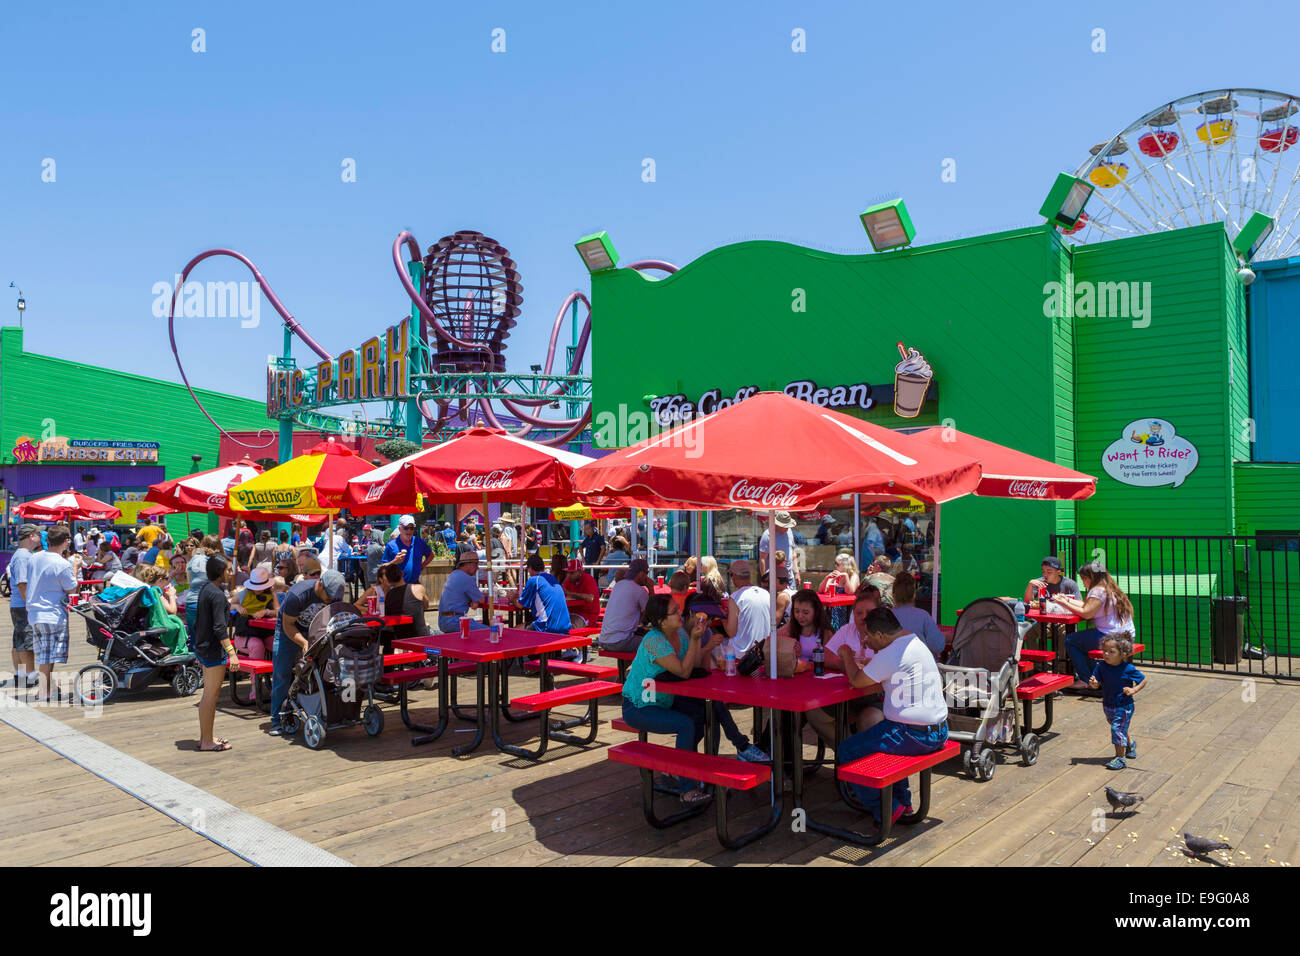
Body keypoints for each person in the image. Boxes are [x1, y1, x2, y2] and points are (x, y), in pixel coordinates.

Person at [837, 607, 949, 829]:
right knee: (885, 739)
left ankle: (884, 808)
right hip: (938, 730)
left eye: (869, 636)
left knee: (847, 750)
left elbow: (857, 681)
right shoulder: (914, 641)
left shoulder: (892, 652)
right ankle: (903, 803)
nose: (867, 640)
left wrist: (846, 655)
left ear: (880, 635)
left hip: (914, 734)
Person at [619, 596, 723, 806]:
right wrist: (696, 639)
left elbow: (691, 664)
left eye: (679, 609)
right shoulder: (654, 640)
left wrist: (699, 640)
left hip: (662, 700)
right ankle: (687, 789)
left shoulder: (679, 635)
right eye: (675, 611)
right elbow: (684, 672)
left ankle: (696, 771)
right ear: (661, 620)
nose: (680, 614)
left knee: (706, 715)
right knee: (686, 724)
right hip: (639, 705)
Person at [267, 560, 328, 737]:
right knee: (281, 673)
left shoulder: (329, 591)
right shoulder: (298, 593)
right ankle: (276, 720)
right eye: (313, 573)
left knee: (319, 671)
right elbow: (288, 626)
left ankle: (317, 710)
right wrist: (303, 643)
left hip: (312, 629)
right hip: (287, 630)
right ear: (305, 575)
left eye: (319, 573)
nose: (316, 576)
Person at [1055, 560, 1136, 691]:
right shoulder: (1109, 587)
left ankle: (1086, 680)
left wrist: (1063, 603)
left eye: (1084, 579)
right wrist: (1067, 600)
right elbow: (1087, 606)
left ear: (1091, 577)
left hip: (1112, 637)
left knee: (1071, 640)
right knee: (1082, 642)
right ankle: (1098, 676)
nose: (1083, 582)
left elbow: (1086, 613)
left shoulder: (1097, 591)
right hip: (1126, 635)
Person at [22, 525, 79, 702]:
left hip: (34, 612)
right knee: (48, 655)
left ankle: (47, 686)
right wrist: (75, 566)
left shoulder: (34, 558)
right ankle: (44, 691)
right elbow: (72, 589)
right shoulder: (62, 564)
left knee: (44, 653)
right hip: (52, 613)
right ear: (66, 541)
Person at [192, 554, 238, 752]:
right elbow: (220, 628)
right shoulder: (217, 595)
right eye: (228, 569)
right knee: (210, 698)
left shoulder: (206, 589)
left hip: (202, 647)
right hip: (212, 650)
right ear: (220, 572)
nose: (231, 572)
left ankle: (206, 737)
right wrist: (232, 652)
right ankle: (207, 742)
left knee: (207, 697)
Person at [778, 590, 837, 744]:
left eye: (805, 612)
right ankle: (777, 756)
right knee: (782, 717)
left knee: (790, 717)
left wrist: (808, 666)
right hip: (793, 687)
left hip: (818, 690)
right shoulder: (790, 628)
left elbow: (831, 663)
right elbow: (773, 644)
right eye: (796, 611)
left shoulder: (825, 633)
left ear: (816, 612)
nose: (800, 616)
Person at [1087, 632, 1147, 770]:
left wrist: (1134, 690)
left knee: (1117, 729)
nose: (1106, 654)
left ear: (1123, 654)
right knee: (1120, 728)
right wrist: (1094, 683)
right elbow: (1096, 684)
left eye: (1111, 652)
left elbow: (1143, 679)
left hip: (1124, 705)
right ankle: (1130, 744)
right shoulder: (1101, 666)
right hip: (1108, 704)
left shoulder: (1128, 669)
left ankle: (1120, 758)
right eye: (1105, 651)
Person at [5, 524, 42, 690]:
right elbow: (22, 583)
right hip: (23, 605)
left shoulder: (24, 555)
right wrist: (30, 604)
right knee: (27, 641)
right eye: (38, 534)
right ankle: (30, 674)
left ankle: (20, 674)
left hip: (18, 604)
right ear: (31, 536)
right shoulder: (23, 556)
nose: (40, 536)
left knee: (19, 638)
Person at [516, 553, 571, 648]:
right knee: (528, 624)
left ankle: (518, 659)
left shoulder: (534, 580)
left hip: (547, 625)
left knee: (516, 630)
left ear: (530, 568)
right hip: (565, 624)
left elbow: (520, 605)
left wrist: (512, 598)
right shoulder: (551, 579)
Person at [888, 570, 946, 658]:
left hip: (893, 667)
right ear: (914, 595)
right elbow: (938, 646)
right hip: (922, 667)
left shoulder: (886, 616)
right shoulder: (923, 616)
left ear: (893, 595)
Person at [132, 564, 189, 653]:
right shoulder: (155, 591)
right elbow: (172, 611)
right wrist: (171, 595)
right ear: (160, 580)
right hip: (157, 628)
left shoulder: (148, 590)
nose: (168, 582)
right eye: (167, 579)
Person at [599, 557, 651, 653]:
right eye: (646, 573)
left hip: (603, 640)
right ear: (641, 574)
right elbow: (652, 614)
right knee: (657, 644)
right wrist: (651, 589)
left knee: (636, 637)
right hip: (620, 642)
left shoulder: (618, 585)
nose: (647, 577)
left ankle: (624, 668)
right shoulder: (640, 591)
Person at [369, 564, 429, 645]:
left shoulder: (389, 595)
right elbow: (426, 606)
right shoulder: (418, 588)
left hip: (401, 638)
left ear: (389, 581)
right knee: (438, 633)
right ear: (402, 573)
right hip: (421, 636)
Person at [232, 565, 279, 661]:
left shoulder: (271, 595)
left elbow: (279, 612)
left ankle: (279, 674)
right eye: (256, 586)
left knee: (279, 646)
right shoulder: (243, 594)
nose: (258, 589)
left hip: (265, 633)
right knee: (257, 646)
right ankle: (256, 675)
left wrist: (266, 611)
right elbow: (229, 606)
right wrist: (238, 606)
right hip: (245, 633)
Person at [727, 560, 774, 656]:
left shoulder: (735, 597)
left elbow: (731, 632)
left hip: (743, 655)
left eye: (731, 575)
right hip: (766, 651)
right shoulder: (766, 593)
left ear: (734, 576)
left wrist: (724, 619)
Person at [436, 547, 486, 634]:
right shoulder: (466, 578)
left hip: (443, 620)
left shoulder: (454, 574)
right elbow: (481, 599)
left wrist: (472, 600)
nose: (477, 568)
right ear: (469, 564)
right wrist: (475, 600)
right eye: (476, 564)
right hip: (454, 621)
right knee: (489, 632)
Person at [185, 535, 222, 639]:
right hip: (208, 603)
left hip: (192, 601)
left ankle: (194, 655)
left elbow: (189, 581)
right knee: (208, 640)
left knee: (194, 638)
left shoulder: (195, 558)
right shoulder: (218, 561)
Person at [383, 514, 433, 584]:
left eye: (411, 528)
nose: (409, 531)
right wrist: (394, 561)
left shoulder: (419, 542)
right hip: (396, 585)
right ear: (400, 529)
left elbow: (431, 555)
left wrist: (421, 566)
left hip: (414, 583)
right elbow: (383, 567)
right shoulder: (391, 545)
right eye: (406, 528)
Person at [757, 511, 799, 584]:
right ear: (777, 525)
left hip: (789, 577)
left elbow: (793, 553)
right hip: (774, 579)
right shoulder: (767, 535)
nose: (787, 528)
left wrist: (796, 572)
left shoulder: (789, 531)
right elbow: (762, 559)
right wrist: (764, 579)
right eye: (785, 526)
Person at [562, 557, 601, 627]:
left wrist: (570, 594)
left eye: (572, 573)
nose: (568, 575)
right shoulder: (568, 580)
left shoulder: (588, 579)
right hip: (571, 613)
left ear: (580, 572)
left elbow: (590, 598)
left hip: (587, 615)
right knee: (556, 625)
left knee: (568, 627)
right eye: (567, 572)